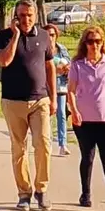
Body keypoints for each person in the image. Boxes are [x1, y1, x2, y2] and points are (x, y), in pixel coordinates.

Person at [0, 0, 55, 211]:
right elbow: (4, 61)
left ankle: (41, 189)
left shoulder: (44, 36)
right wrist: (15, 36)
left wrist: (53, 96)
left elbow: (50, 67)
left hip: (39, 100)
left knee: (43, 144)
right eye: (22, 15)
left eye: (30, 15)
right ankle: (24, 193)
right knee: (18, 148)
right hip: (13, 101)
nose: (26, 19)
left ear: (35, 16)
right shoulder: (5, 36)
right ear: (15, 17)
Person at [67, 25, 105, 211]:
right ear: (85, 44)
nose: (94, 45)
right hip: (84, 120)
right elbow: (71, 91)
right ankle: (86, 193)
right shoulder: (77, 65)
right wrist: (74, 111)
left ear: (103, 43)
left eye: (98, 41)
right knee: (88, 157)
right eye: (91, 41)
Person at [46, 24, 70, 156]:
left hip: (60, 87)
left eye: (52, 35)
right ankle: (47, 143)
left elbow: (68, 63)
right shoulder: (41, 49)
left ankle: (63, 144)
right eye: (47, 35)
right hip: (46, 87)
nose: (50, 38)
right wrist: (56, 67)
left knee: (61, 114)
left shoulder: (62, 49)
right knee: (47, 116)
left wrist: (64, 67)